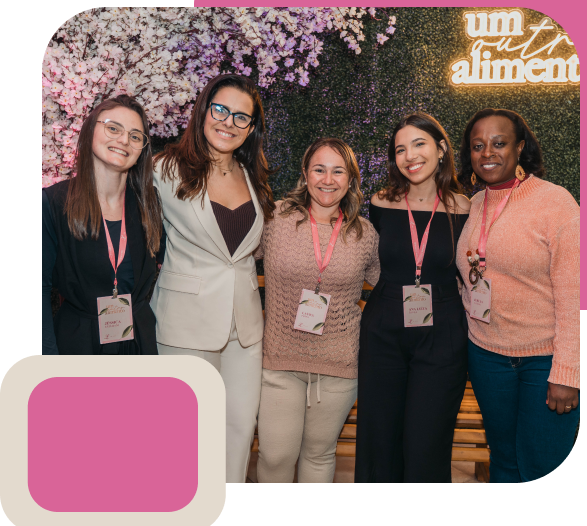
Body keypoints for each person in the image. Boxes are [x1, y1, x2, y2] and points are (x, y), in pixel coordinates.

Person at [151, 74, 275, 483]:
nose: (228, 122)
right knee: (183, 437)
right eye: (220, 110)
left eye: (242, 117)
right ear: (203, 110)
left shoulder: (252, 175)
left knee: (239, 429)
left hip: (245, 329)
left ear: (251, 128)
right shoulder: (164, 168)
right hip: (186, 323)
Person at [456, 108, 580, 483]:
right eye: (478, 145)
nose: (487, 153)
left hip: (544, 362)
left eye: (499, 143)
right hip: (486, 356)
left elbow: (574, 297)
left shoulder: (556, 203)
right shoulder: (473, 205)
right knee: (504, 462)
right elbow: (468, 278)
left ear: (520, 147)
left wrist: (568, 373)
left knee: (543, 465)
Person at [255, 137, 380, 483]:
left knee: (319, 455)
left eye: (338, 171)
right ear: (305, 173)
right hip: (279, 361)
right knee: (275, 456)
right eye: (319, 169)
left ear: (351, 179)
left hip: (338, 365)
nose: (328, 180)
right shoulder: (276, 218)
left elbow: (388, 285)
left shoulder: (365, 234)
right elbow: (236, 259)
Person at [355, 112, 471, 483]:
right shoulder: (381, 202)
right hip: (383, 332)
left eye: (419, 144)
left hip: (442, 337)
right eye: (400, 149)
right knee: (380, 439)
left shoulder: (464, 208)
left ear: (441, 149)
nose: (409, 156)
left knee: (427, 444)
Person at [42, 95, 164, 355]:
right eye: (113, 128)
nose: (124, 140)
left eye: (135, 136)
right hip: (77, 346)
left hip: (139, 345)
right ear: (90, 131)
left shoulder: (149, 203)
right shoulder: (53, 203)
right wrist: (47, 358)